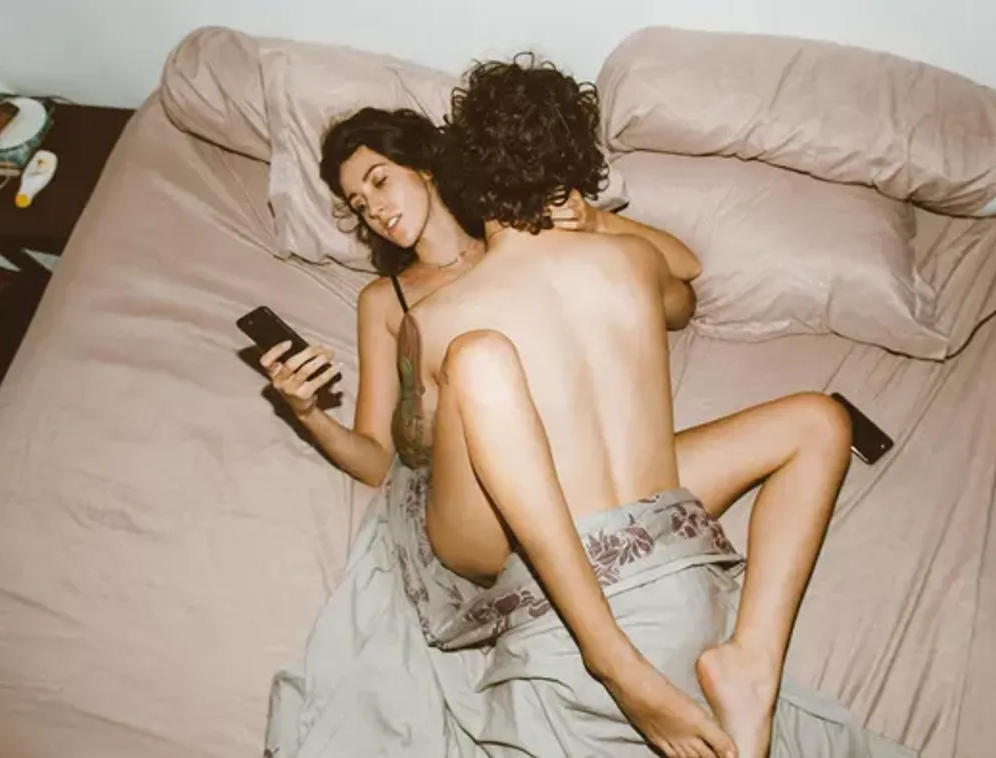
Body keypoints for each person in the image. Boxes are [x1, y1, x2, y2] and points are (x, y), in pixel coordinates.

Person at [261, 88, 852, 757]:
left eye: (379, 181)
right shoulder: (395, 304)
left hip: (584, 478)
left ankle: (751, 666)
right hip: (482, 494)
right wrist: (309, 413)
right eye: (359, 204)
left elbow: (681, 288)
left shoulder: (544, 236)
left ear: (432, 168)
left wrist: (593, 220)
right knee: (481, 362)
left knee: (817, 419)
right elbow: (383, 458)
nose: (375, 210)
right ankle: (611, 655)